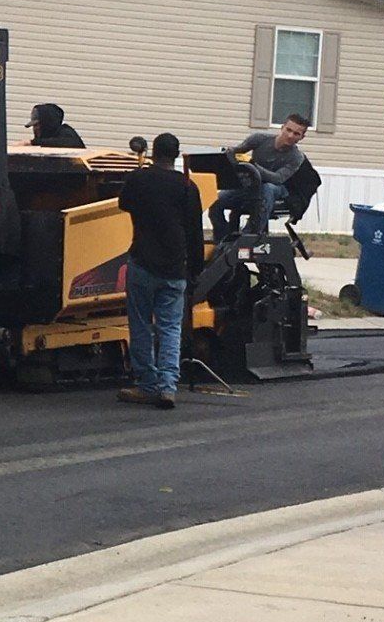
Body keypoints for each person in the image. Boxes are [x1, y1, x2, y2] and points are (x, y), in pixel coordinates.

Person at [117, 131, 204, 409]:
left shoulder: (139, 178)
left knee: (141, 324)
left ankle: (146, 384)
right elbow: (194, 232)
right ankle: (168, 387)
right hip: (175, 265)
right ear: (177, 156)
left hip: (142, 260)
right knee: (169, 328)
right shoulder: (188, 186)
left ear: (153, 153)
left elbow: (123, 203)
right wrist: (195, 268)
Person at [208, 114, 311, 238]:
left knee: (268, 188)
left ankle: (249, 237)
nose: (290, 136)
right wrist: (229, 154)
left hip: (276, 189)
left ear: (302, 137)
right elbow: (237, 151)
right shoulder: (259, 139)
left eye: (296, 134)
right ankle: (222, 238)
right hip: (249, 185)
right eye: (288, 130)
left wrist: (253, 165)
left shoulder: (297, 157)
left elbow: (278, 178)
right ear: (282, 128)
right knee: (215, 201)